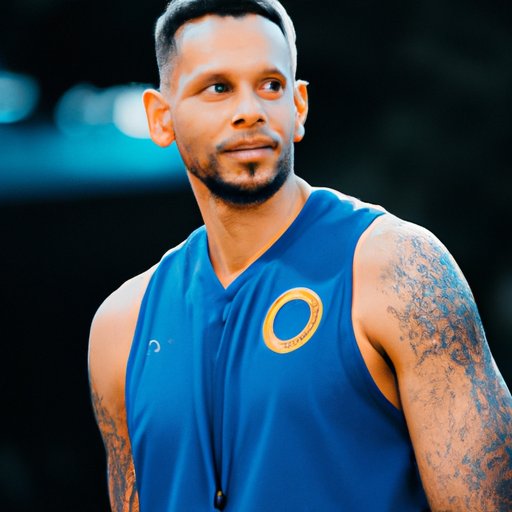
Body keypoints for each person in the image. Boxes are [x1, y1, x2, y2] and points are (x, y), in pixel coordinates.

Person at [88, 1, 512, 510]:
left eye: (270, 85)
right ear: (162, 118)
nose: (250, 110)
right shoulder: (121, 327)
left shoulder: (399, 269)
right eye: (218, 88)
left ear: (299, 106)